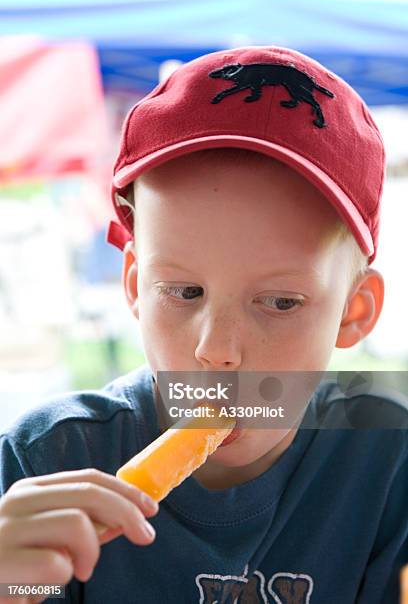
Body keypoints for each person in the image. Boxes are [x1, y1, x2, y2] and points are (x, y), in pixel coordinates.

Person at [0, 46, 407, 604]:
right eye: (184, 292)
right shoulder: (45, 463)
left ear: (354, 311)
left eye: (281, 302)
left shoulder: (388, 469)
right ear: (136, 287)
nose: (218, 351)